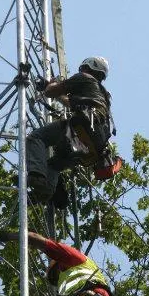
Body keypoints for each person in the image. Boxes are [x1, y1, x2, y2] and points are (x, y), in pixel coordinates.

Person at [26, 56, 113, 203]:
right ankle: (44, 192)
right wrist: (51, 87)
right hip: (92, 147)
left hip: (82, 127)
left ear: (88, 67)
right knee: (54, 164)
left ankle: (37, 176)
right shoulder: (101, 94)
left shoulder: (84, 77)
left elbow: (50, 93)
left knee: (36, 138)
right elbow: (66, 101)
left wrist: (50, 85)